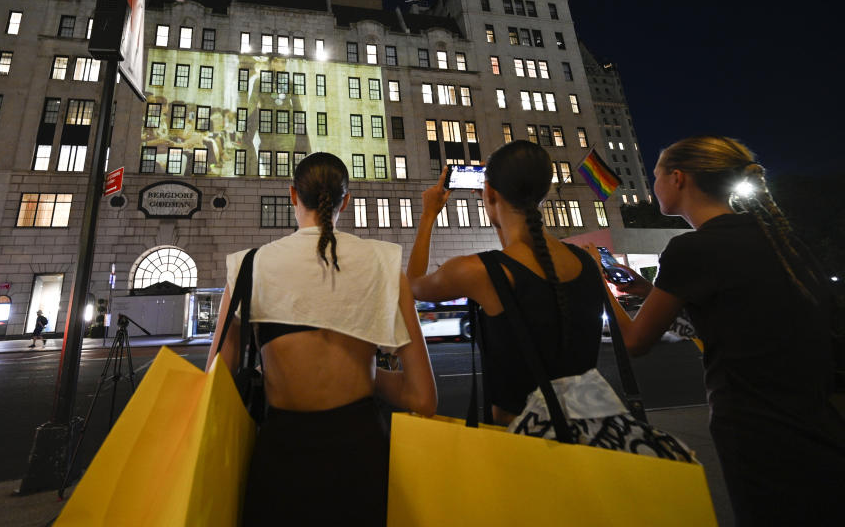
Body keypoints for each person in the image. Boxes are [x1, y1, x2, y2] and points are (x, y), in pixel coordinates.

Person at [600, 135, 845, 526]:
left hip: (755, 429)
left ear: (678, 179)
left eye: (656, 176)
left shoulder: (691, 250)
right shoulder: (781, 240)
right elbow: (736, 314)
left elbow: (635, 342)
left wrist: (599, 282)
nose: (653, 185)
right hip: (816, 421)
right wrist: (650, 291)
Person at [207, 152, 436, 527]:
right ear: (346, 200)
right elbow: (422, 399)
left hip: (280, 459)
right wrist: (364, 375)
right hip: (363, 456)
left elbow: (213, 387)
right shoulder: (383, 263)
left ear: (292, 196)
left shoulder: (250, 266)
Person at [407, 141, 607, 428]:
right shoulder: (586, 262)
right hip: (586, 436)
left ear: (489, 192)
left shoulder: (477, 271)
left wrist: (428, 215)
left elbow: (413, 285)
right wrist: (495, 208)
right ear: (544, 192)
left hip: (518, 442)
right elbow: (518, 254)